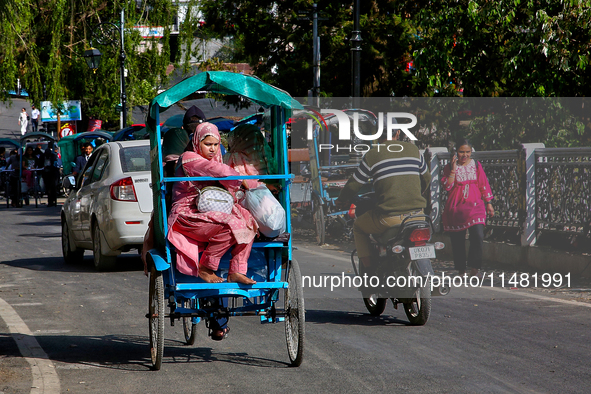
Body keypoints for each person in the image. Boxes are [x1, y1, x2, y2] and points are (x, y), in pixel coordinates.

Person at [167, 122, 258, 285]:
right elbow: (218, 171)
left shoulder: (217, 160)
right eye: (208, 144)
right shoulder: (189, 157)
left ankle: (237, 270)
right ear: (197, 142)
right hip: (186, 215)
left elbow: (226, 183)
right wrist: (243, 179)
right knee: (231, 224)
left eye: (216, 144)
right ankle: (206, 267)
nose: (213, 149)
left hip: (211, 209)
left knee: (249, 222)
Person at [335, 128, 431, 275]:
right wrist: (417, 193)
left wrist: (341, 200)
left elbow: (354, 185)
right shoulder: (413, 150)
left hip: (390, 218)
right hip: (419, 215)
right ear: (398, 133)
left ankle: (369, 273)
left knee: (359, 227)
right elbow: (427, 178)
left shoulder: (373, 155)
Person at [441, 139, 494, 277]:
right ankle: (461, 269)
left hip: (476, 205)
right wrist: (453, 170)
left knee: (477, 235)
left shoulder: (476, 165)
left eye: (467, 152)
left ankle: (475, 267)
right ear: (456, 152)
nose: (465, 155)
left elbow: (483, 183)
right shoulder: (449, 167)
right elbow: (447, 186)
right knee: (458, 240)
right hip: (456, 207)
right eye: (461, 152)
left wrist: (488, 202)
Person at [42, 142, 60, 207]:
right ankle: (50, 201)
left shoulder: (53, 156)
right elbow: (39, 164)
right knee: (48, 188)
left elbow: (55, 165)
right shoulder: (43, 157)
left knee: (54, 188)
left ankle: (54, 201)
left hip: (53, 174)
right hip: (46, 174)